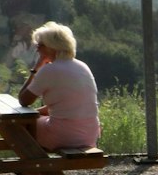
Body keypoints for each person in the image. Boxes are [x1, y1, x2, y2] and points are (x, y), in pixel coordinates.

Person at [17, 22, 100, 151]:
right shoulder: (82, 66)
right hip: (89, 135)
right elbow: (67, 105)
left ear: (52, 47)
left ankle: (34, 168)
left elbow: (24, 100)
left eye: (40, 45)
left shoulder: (50, 70)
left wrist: (36, 69)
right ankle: (39, 168)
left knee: (18, 125)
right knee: (35, 122)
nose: (37, 49)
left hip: (64, 135)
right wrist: (37, 113)